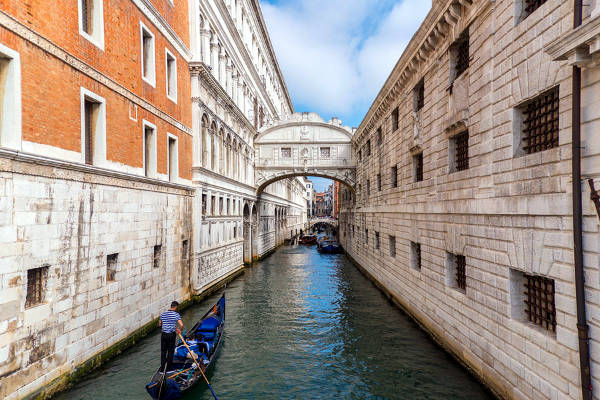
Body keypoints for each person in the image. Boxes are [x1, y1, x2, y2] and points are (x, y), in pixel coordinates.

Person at [159, 301, 184, 372]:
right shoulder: (176, 314)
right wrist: (180, 330)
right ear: (175, 307)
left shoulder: (163, 314)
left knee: (163, 352)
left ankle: (162, 369)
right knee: (170, 351)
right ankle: (169, 368)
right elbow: (181, 325)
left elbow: (160, 324)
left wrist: (166, 326)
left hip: (163, 334)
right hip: (171, 335)